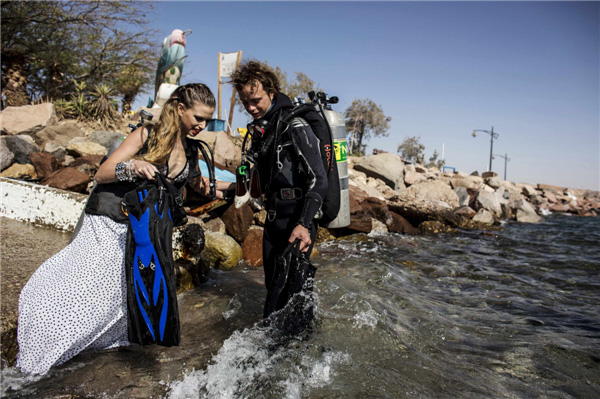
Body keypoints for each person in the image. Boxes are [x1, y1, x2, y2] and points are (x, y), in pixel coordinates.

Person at [16, 83, 225, 375]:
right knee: (83, 288)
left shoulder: (191, 153)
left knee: (118, 297)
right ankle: (42, 353)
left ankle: (87, 351)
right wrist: (134, 166)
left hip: (142, 235)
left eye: (206, 120)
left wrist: (242, 187)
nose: (202, 126)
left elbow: (201, 188)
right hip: (109, 222)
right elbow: (102, 173)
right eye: (198, 118)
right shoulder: (146, 134)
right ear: (179, 109)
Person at [231, 61, 328, 329]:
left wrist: (304, 225)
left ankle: (301, 360)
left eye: (256, 100)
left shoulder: (294, 125)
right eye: (244, 102)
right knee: (273, 297)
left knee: (294, 302)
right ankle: (273, 358)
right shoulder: (264, 129)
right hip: (273, 224)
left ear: (271, 92)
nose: (250, 108)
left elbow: (319, 180)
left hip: (297, 223)